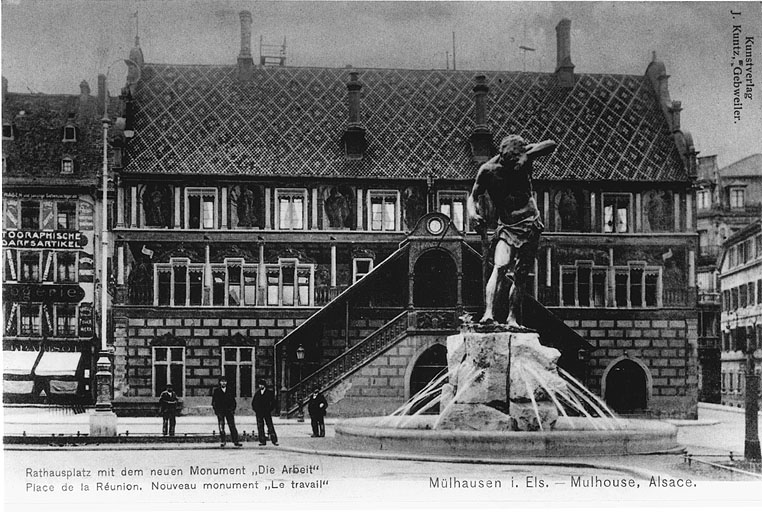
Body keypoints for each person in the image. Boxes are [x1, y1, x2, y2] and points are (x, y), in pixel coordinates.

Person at [467, 134, 557, 327]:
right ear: (503, 157)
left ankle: (512, 318)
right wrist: (472, 213)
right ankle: (488, 314)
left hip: (530, 223)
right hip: (507, 226)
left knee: (520, 275)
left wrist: (527, 154)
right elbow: (473, 196)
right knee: (499, 266)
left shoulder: (525, 157)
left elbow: (551, 144)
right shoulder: (488, 171)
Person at [211, 377, 242, 447]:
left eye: (225, 381)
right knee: (221, 427)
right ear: (220, 382)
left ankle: (236, 441)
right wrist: (217, 411)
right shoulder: (216, 391)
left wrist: (232, 410)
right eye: (222, 381)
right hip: (220, 412)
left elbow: (233, 402)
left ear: (226, 382)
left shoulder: (230, 390)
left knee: (232, 426)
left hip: (229, 411)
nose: (223, 383)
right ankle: (223, 441)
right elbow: (214, 402)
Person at [251, 379, 279, 446]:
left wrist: (269, 409)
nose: (260, 386)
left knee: (270, 425)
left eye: (262, 385)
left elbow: (273, 402)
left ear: (264, 385)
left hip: (266, 412)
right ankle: (262, 441)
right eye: (260, 385)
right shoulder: (257, 393)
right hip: (259, 413)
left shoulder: (269, 393)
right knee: (260, 426)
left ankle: (274, 440)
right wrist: (256, 410)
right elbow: (253, 403)